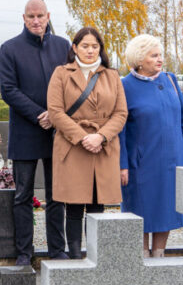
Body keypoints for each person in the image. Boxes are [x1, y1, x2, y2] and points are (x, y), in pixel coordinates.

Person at [0, 0, 69, 264]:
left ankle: (57, 250)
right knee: (23, 195)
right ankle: (24, 253)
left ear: (48, 16)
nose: (36, 21)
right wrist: (40, 115)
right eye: (31, 17)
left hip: (57, 133)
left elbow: (71, 84)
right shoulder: (10, 49)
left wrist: (55, 115)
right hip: (26, 131)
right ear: (24, 18)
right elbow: (9, 90)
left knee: (56, 194)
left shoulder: (63, 46)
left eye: (40, 16)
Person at [47, 27, 128, 259]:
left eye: (95, 46)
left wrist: (100, 136)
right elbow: (55, 111)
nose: (90, 51)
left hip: (103, 147)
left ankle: (95, 257)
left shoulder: (112, 75)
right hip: (73, 146)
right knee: (73, 206)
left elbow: (121, 113)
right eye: (85, 46)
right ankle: (74, 256)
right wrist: (83, 137)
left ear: (100, 49)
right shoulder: (61, 73)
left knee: (97, 206)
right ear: (74, 48)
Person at [119, 34, 183, 258]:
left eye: (160, 55)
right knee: (139, 208)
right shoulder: (125, 86)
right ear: (139, 60)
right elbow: (119, 131)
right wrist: (122, 164)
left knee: (167, 206)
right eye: (154, 56)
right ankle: (142, 254)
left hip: (172, 158)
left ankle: (159, 253)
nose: (160, 59)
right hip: (141, 161)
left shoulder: (170, 79)